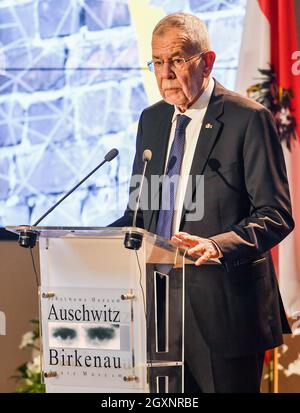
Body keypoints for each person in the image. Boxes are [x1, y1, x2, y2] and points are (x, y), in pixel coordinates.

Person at [112, 12, 294, 392]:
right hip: (160, 307)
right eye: (158, 62)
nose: (166, 73)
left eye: (177, 59)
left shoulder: (248, 119)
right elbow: (139, 212)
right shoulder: (152, 121)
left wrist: (216, 244)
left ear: (207, 61)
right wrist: (76, 243)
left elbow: (276, 214)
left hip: (225, 308)